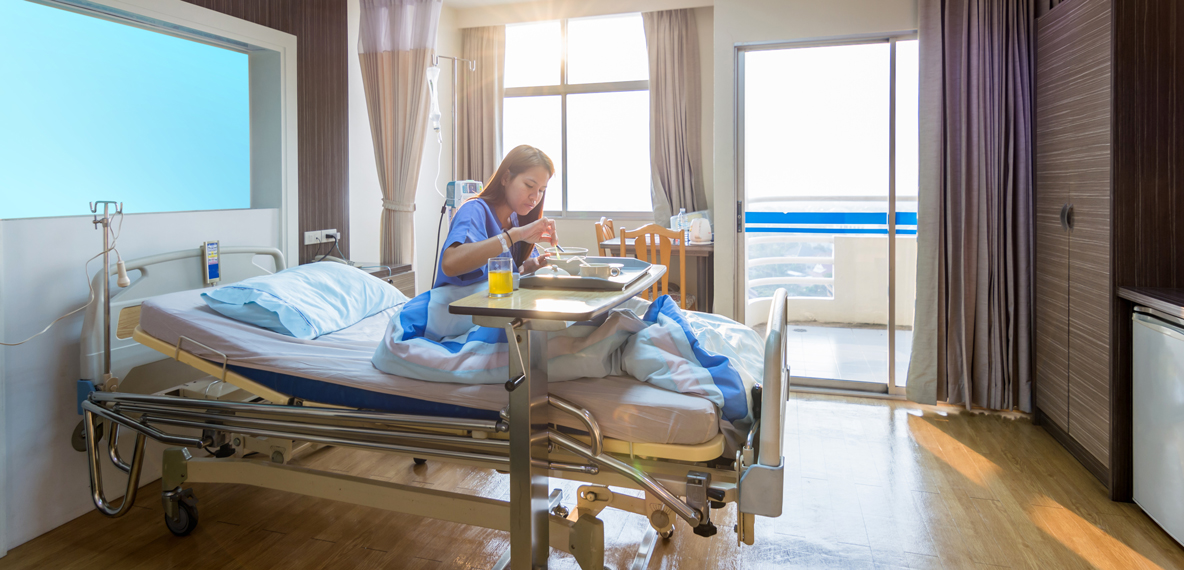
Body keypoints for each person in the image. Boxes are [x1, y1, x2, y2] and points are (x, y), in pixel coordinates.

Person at [434, 144, 558, 288]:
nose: (535, 197)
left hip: (490, 307)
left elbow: (496, 282)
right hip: (450, 307)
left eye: (542, 190)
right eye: (529, 185)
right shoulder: (474, 210)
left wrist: (524, 272)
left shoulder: (516, 221)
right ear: (505, 178)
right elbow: (450, 264)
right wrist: (514, 236)